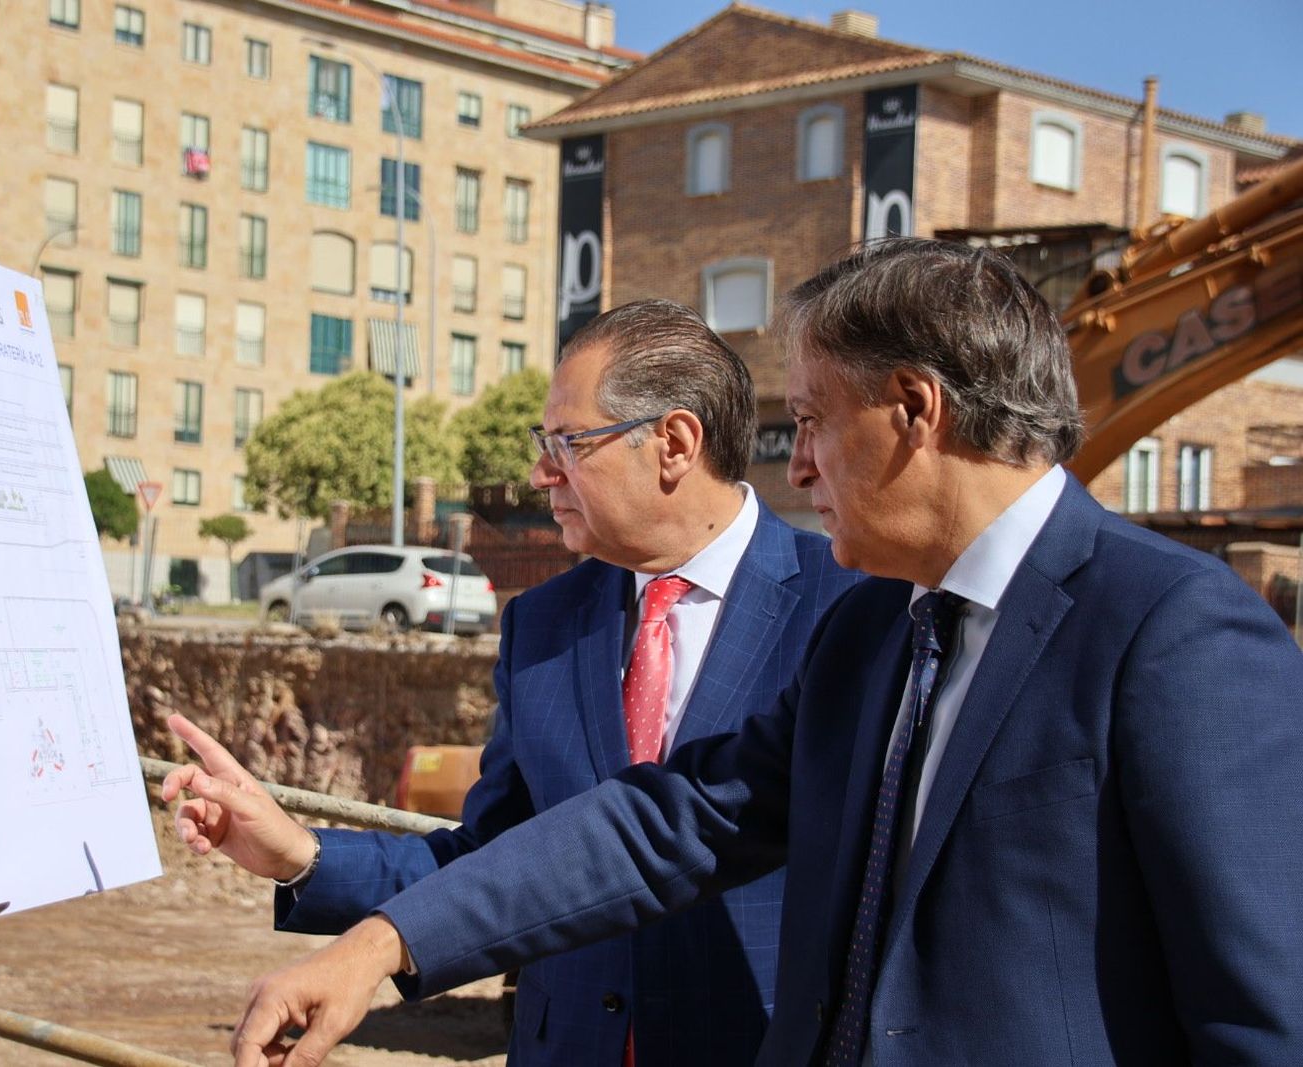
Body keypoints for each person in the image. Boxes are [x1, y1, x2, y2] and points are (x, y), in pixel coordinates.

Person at [219, 238, 1303, 1067]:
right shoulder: (875, 632)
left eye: (814, 422)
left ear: (914, 410)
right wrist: (379, 943)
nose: (801, 463)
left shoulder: (1171, 631)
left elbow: (1264, 1012)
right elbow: (663, 823)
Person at [163, 299, 861, 1066]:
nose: (539, 473)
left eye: (568, 442)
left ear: (673, 442)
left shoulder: (851, 607)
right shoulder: (543, 624)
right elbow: (494, 860)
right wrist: (299, 853)